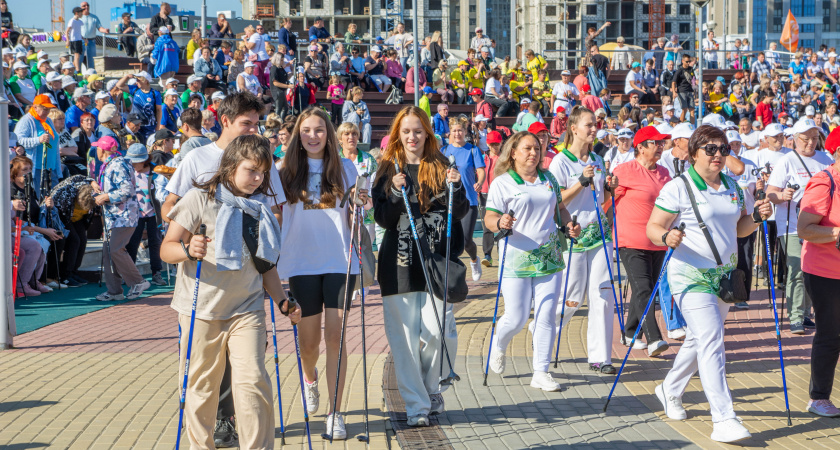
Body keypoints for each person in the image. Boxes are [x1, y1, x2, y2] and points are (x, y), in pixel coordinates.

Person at [161, 133, 298, 449]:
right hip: (201, 310)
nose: (258, 178)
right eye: (252, 170)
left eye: (263, 173)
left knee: (252, 380)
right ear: (232, 165)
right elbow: (166, 249)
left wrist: (283, 302)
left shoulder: (257, 209)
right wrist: (187, 249)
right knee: (202, 385)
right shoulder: (198, 199)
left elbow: (266, 266)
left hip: (246, 308)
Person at [647, 124, 772, 443]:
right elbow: (654, 226)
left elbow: (740, 230)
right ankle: (724, 418)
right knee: (712, 337)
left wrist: (756, 218)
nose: (719, 155)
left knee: (700, 339)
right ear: (693, 153)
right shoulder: (678, 188)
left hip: (724, 276)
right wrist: (666, 236)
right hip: (689, 274)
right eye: (711, 149)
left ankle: (669, 388)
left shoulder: (733, 185)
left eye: (724, 149)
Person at [371, 105, 466, 426]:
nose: (412, 136)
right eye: (406, 131)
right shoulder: (387, 168)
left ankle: (429, 388)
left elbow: (460, 208)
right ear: (398, 134)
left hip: (436, 264)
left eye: (418, 130)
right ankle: (417, 407)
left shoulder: (442, 165)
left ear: (427, 133)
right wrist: (396, 192)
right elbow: (382, 217)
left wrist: (458, 186)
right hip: (398, 266)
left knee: (441, 332)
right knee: (405, 341)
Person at [275, 107, 362, 439]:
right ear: (298, 134)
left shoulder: (346, 168)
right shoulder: (284, 171)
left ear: (330, 134)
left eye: (320, 130)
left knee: (336, 338)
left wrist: (361, 205)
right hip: (302, 262)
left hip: (340, 260)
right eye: (307, 130)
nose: (313, 136)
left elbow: (356, 210)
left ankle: (335, 413)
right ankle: (308, 378)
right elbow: (274, 214)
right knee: (309, 343)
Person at [484, 129, 579, 388]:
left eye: (537, 149)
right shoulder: (503, 182)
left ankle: (541, 372)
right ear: (513, 153)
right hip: (516, 256)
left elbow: (560, 210)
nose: (534, 153)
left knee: (546, 314)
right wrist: (500, 221)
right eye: (527, 148)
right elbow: (489, 218)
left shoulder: (548, 178)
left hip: (549, 254)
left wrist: (569, 225)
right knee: (516, 317)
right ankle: (498, 343)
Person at [546, 106, 618, 374]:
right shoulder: (560, 161)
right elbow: (555, 201)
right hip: (572, 233)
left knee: (602, 294)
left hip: (599, 233)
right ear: (573, 128)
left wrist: (610, 188)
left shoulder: (598, 161)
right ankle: (543, 332)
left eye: (595, 124)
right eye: (588, 125)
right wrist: (580, 181)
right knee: (572, 297)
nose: (594, 128)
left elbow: (601, 200)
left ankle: (601, 357)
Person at [766, 118, 832, 334]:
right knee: (796, 270)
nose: (810, 143)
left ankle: (806, 314)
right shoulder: (788, 160)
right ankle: (795, 316)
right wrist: (781, 195)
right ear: (794, 139)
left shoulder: (826, 158)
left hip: (820, 226)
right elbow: (770, 193)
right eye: (805, 139)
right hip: (792, 226)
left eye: (815, 138)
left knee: (813, 271)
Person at [612, 126, 672, 356]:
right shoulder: (624, 170)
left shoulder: (665, 173)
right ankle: (655, 338)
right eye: (655, 142)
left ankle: (630, 332)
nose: (660, 146)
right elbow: (609, 199)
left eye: (661, 142)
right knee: (644, 289)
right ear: (640, 147)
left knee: (645, 289)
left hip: (658, 239)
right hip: (630, 239)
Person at [797, 127, 840, 417]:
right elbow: (805, 229)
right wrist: (837, 233)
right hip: (825, 272)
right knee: (831, 332)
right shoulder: (825, 181)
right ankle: (818, 397)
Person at [90, 135, 150, 301]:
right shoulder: (111, 164)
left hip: (123, 217)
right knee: (109, 252)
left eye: (97, 148)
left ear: (102, 149)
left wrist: (105, 196)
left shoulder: (116, 164)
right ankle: (115, 291)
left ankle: (138, 281)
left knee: (115, 250)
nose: (96, 150)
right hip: (115, 217)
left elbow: (126, 191)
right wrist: (98, 190)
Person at [10, 155, 63, 292]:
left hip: (29, 227)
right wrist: (41, 230)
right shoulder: (11, 190)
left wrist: (46, 205)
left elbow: (33, 211)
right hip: (16, 229)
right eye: (24, 170)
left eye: (30, 169)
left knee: (52, 240)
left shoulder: (30, 189)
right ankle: (23, 284)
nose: (28, 173)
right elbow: (15, 219)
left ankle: (35, 280)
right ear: (15, 173)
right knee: (36, 245)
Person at [442, 115, 486, 281]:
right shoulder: (444, 151)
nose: (457, 133)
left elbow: (480, 171)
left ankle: (474, 259)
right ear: (450, 133)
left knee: (467, 239)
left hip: (469, 200)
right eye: (454, 130)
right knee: (451, 241)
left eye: (460, 130)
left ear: (465, 131)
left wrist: (479, 182)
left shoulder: (472, 150)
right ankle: (454, 274)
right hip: (449, 200)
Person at [122, 144, 167, 286]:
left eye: (137, 161)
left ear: (145, 160)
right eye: (132, 161)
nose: (134, 165)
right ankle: (130, 275)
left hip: (153, 213)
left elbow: (162, 191)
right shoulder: (128, 171)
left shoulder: (156, 171)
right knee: (133, 243)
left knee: (156, 242)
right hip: (135, 213)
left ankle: (156, 273)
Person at [13, 94, 62, 190]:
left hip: (52, 167)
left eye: (48, 109)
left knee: (54, 200)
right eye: (44, 109)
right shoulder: (26, 121)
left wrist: (58, 168)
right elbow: (17, 140)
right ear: (35, 107)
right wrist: (38, 140)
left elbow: (54, 143)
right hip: (36, 168)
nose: (47, 112)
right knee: (39, 201)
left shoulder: (48, 120)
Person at [78, 2, 108, 69]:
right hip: (81, 41)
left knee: (91, 60)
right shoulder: (79, 18)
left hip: (91, 41)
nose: (86, 7)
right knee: (79, 59)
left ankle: (91, 75)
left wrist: (105, 30)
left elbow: (99, 27)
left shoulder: (94, 17)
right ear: (81, 8)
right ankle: (77, 75)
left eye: (87, 5)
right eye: (84, 6)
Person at [671, 54, 696, 123]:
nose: (688, 63)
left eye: (689, 61)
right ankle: (681, 124)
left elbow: (693, 79)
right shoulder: (679, 71)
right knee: (684, 109)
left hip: (689, 91)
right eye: (686, 61)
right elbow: (673, 82)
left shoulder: (691, 69)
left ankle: (692, 126)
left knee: (692, 110)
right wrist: (674, 92)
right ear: (682, 61)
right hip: (682, 91)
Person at [269, 51, 293, 122]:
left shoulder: (280, 68)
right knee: (279, 108)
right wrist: (288, 86)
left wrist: (291, 74)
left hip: (282, 91)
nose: (283, 61)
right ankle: (277, 123)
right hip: (277, 91)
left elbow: (285, 78)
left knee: (285, 108)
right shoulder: (274, 68)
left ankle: (281, 122)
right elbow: (275, 82)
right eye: (281, 60)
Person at [65, 7, 86, 74]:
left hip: (79, 39)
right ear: (76, 13)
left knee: (78, 56)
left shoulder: (80, 22)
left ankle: (73, 68)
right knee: (76, 55)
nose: (82, 14)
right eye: (80, 12)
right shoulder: (72, 21)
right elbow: (67, 31)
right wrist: (67, 40)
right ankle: (78, 70)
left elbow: (79, 32)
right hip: (74, 40)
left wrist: (84, 39)